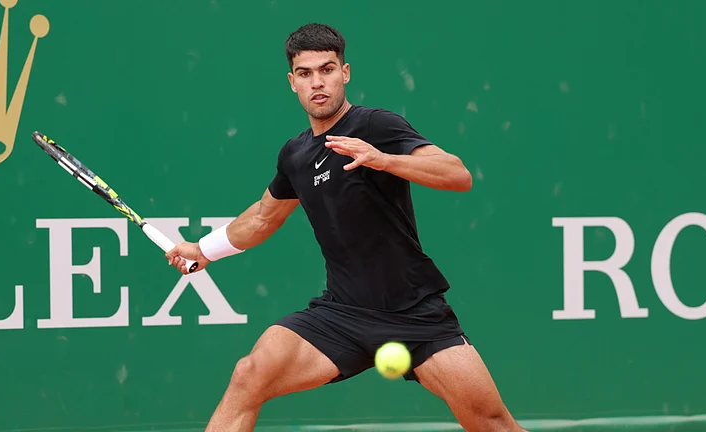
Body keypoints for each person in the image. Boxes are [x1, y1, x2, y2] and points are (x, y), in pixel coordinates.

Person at [166, 23, 526, 432]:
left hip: (415, 314)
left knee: (493, 424)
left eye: (327, 69)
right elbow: (264, 217)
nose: (318, 82)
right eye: (305, 73)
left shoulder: (375, 126)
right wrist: (204, 249)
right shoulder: (296, 154)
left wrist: (384, 160)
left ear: (345, 72)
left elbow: (457, 174)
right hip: (342, 315)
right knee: (249, 374)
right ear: (292, 82)